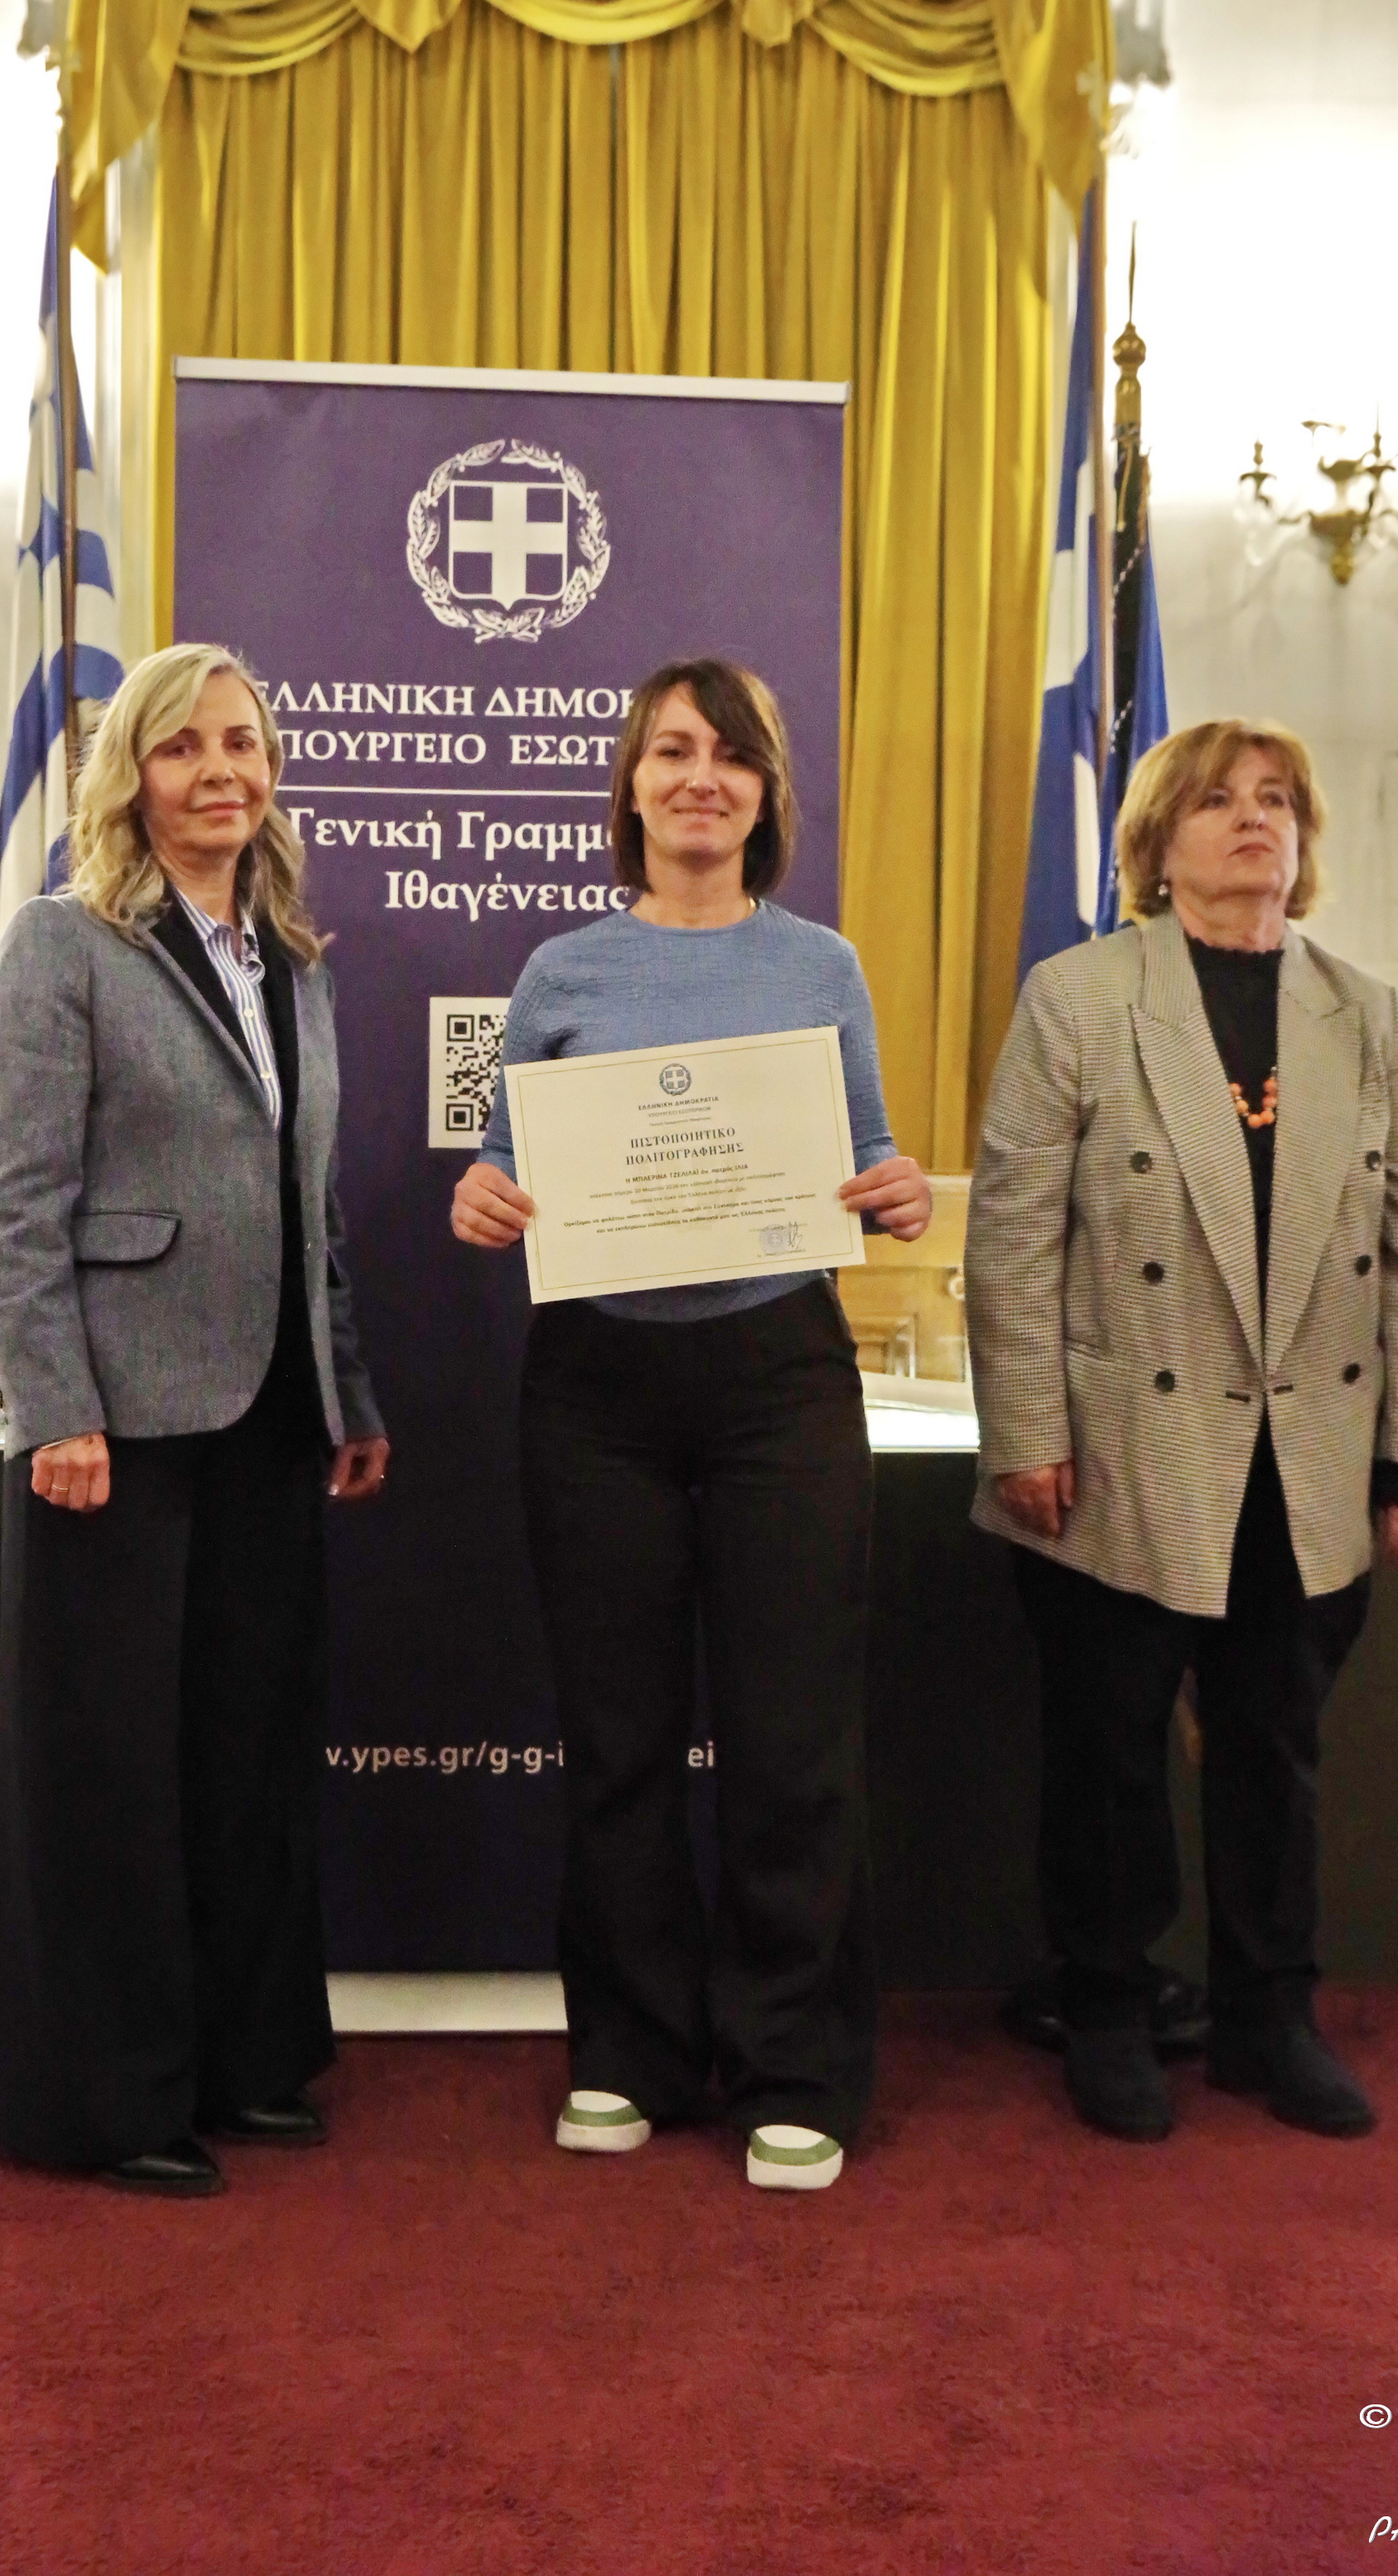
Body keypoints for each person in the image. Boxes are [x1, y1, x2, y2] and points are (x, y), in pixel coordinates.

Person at [452, 659, 932, 2193]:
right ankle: (630, 2051)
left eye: (731, 755)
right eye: (671, 751)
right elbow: (502, 1161)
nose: (700, 777)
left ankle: (796, 2065)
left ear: (765, 794)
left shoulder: (821, 966)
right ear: (632, 786)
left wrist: (898, 1189)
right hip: (595, 1384)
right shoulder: (558, 972)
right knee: (619, 1738)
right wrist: (480, 1197)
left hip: (778, 1373)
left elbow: (865, 1153)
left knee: (794, 1737)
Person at [965, 719, 1398, 2143]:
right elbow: (1010, 1238)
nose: (1254, 820)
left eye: (1276, 800)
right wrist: (1023, 1434)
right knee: (1108, 1755)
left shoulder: (1362, 1013)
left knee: (1272, 1752)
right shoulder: (1080, 997)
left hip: (1305, 1457)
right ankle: (1107, 2008)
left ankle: (1267, 2021)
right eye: (1219, 800)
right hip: (1119, 1445)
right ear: (1156, 845)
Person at [0, 643, 389, 2198]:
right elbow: (17, 1202)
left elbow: (309, 1204)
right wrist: (55, 1409)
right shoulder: (62, 944)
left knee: (244, 1746)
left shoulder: (295, 960)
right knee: (110, 1767)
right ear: (130, 775)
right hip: (117, 1423)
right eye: (183, 746)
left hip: (271, 1410)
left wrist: (346, 1389)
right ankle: (106, 2098)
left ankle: (240, 2058)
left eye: (244, 742)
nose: (221, 770)